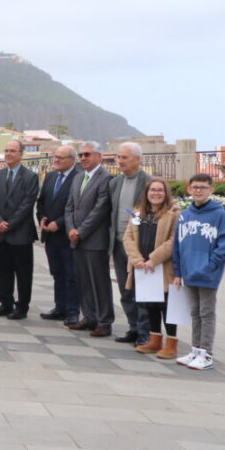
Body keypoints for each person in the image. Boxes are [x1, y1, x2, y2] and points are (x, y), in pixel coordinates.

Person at [172, 174, 225, 370]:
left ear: (210, 190)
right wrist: (178, 271)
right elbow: (177, 245)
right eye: (195, 187)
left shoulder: (219, 214)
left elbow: (224, 245)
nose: (198, 190)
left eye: (203, 187)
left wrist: (210, 266)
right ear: (189, 189)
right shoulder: (185, 215)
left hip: (207, 273)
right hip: (189, 272)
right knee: (194, 312)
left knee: (206, 312)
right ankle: (195, 349)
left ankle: (206, 353)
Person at [123, 178, 181, 358]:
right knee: (150, 304)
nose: (156, 193)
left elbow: (174, 241)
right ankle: (155, 340)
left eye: (160, 190)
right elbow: (128, 238)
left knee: (167, 305)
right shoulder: (138, 214)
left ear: (166, 194)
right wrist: (137, 260)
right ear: (146, 193)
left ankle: (171, 343)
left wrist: (153, 259)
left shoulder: (174, 214)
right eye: (152, 190)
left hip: (163, 267)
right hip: (142, 268)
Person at [0, 139, 39, 320]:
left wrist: (10, 223)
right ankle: (5, 303)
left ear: (21, 154)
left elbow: (27, 204)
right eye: (6, 150)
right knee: (2, 271)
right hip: (0, 233)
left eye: (13, 151)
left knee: (23, 273)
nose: (8, 153)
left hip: (20, 233)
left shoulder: (30, 177)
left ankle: (22, 307)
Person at [66, 141, 114, 336]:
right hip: (76, 239)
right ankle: (89, 317)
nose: (83, 158)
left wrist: (81, 231)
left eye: (87, 154)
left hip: (95, 240)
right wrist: (70, 229)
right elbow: (69, 207)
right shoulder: (78, 178)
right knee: (83, 280)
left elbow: (100, 210)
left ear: (99, 157)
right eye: (81, 155)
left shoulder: (106, 178)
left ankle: (104, 321)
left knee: (99, 282)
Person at [109, 142, 153, 345]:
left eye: (124, 157)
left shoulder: (149, 183)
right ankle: (133, 328)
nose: (120, 161)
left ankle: (146, 333)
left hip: (140, 247)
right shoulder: (115, 183)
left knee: (142, 290)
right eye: (118, 157)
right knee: (125, 290)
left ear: (137, 159)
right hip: (118, 244)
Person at [37, 145, 82, 326]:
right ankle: (60, 307)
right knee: (57, 273)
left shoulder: (78, 178)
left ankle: (72, 311)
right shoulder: (50, 176)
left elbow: (78, 207)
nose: (56, 160)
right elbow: (41, 202)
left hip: (67, 234)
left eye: (60, 158)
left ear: (72, 160)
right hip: (50, 235)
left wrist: (60, 223)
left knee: (71, 274)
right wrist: (41, 218)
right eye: (54, 157)